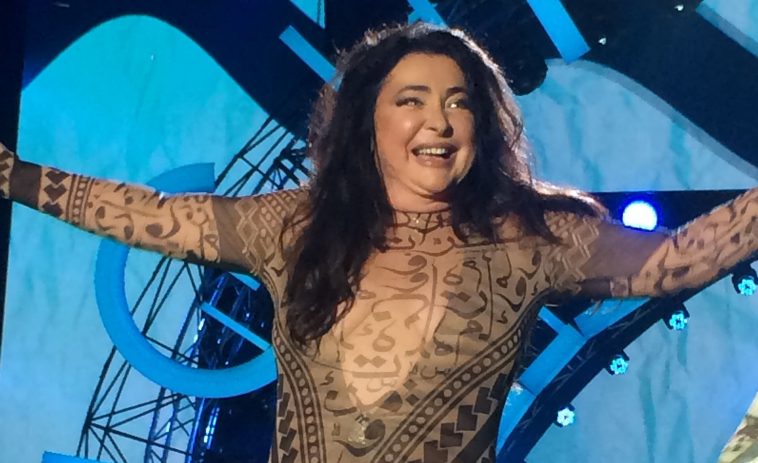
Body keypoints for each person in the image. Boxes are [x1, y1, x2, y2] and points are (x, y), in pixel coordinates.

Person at [0, 21, 756, 463]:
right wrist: (16, 176)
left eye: (460, 102)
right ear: (368, 121)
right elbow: (150, 214)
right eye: (412, 101)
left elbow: (675, 260)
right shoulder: (292, 226)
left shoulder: (532, 237)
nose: (439, 122)